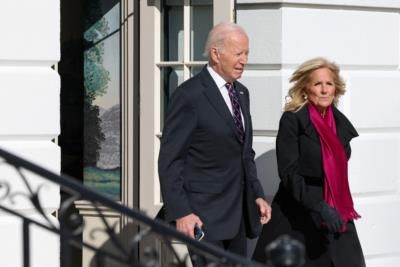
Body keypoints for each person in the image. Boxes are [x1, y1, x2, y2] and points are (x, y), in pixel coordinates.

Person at [158, 22, 271, 264]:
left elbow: (245, 153)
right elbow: (170, 159)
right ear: (216, 53)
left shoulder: (242, 93)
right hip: (202, 216)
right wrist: (182, 212)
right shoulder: (190, 95)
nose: (244, 60)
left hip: (238, 215)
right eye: (238, 53)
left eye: (246, 53)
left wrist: (257, 194)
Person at [252, 57, 365, 267]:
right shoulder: (293, 120)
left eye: (329, 84)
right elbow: (288, 173)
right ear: (306, 88)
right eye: (317, 84)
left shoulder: (339, 124)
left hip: (335, 209)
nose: (324, 90)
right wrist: (319, 207)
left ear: (336, 89)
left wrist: (330, 208)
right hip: (299, 211)